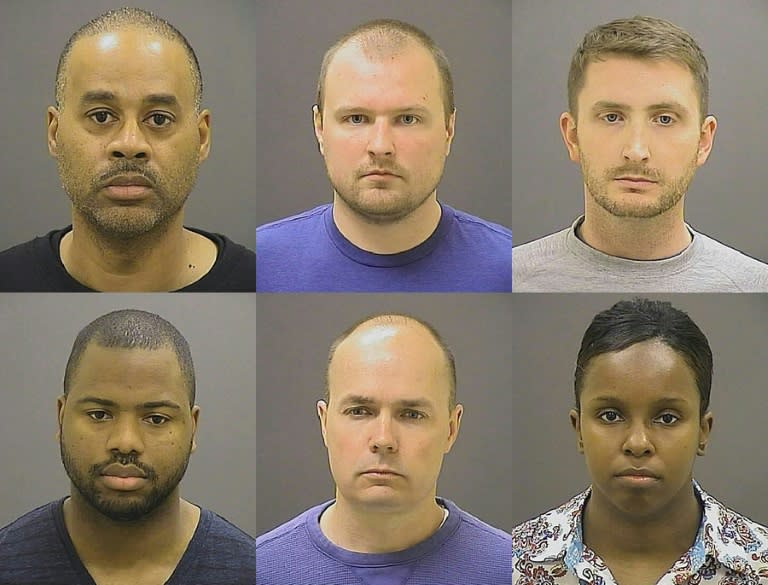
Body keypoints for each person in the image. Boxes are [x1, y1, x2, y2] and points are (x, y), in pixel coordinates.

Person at [512, 299, 768, 584]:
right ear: (579, 429)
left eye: (667, 418)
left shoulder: (760, 565)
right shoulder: (515, 560)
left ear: (702, 431)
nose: (637, 443)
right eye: (610, 415)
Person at [0, 8, 255, 292]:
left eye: (159, 118)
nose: (130, 144)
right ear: (54, 133)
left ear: (202, 137)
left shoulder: (257, 279)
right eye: (101, 116)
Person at [513, 16, 768, 292]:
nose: (636, 151)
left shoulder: (754, 284)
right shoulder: (510, 277)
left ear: (703, 141)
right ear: (572, 136)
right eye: (612, 117)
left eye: (665, 119)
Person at [0, 309, 255, 584]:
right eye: (99, 414)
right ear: (61, 418)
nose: (125, 442)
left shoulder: (253, 571)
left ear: (193, 427)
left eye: (156, 419)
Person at [256, 19, 511, 292]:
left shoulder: (508, 267)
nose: (380, 146)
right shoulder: (260, 264)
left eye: (408, 119)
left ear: (449, 129)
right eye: (356, 118)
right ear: (319, 128)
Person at [256, 313, 511, 583]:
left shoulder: (509, 569)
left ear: (451, 429)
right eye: (359, 411)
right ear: (324, 422)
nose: (383, 439)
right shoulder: (260, 569)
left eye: (411, 414)